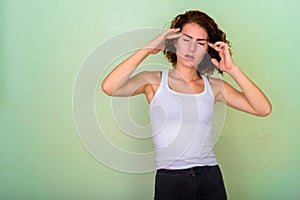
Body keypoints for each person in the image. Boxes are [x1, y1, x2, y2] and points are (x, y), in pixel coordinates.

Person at [101, 10, 271, 200]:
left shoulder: (214, 87)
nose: (191, 49)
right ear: (174, 41)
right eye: (186, 39)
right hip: (171, 181)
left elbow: (263, 109)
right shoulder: (153, 81)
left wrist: (232, 70)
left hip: (210, 178)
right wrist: (148, 49)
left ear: (208, 49)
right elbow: (109, 87)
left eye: (200, 43)